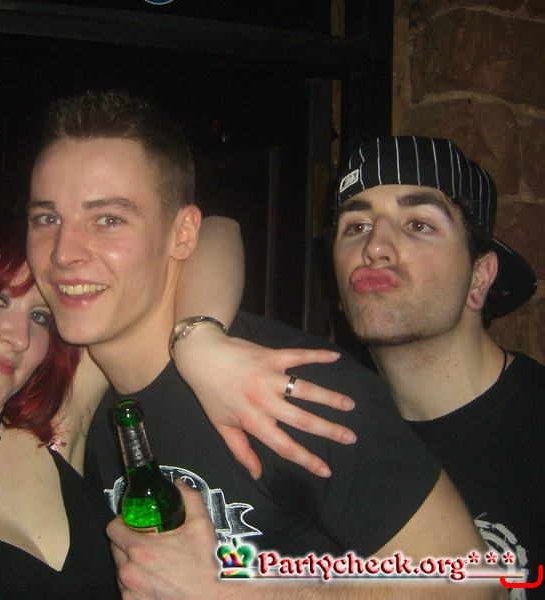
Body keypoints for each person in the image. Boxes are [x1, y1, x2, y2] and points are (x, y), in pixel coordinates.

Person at [25, 89, 503, 597]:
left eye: (108, 219)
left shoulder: (296, 387)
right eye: (46, 219)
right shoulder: (76, 394)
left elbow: (475, 584)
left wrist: (232, 591)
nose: (64, 253)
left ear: (183, 233)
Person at [0, 198, 354, 598]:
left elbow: (214, 230)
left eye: (40, 315)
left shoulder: (53, 428)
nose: (19, 336)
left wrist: (200, 341)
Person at [331, 136, 544, 595]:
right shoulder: (334, 429)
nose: (375, 247)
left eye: (418, 224)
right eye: (356, 225)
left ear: (479, 277)